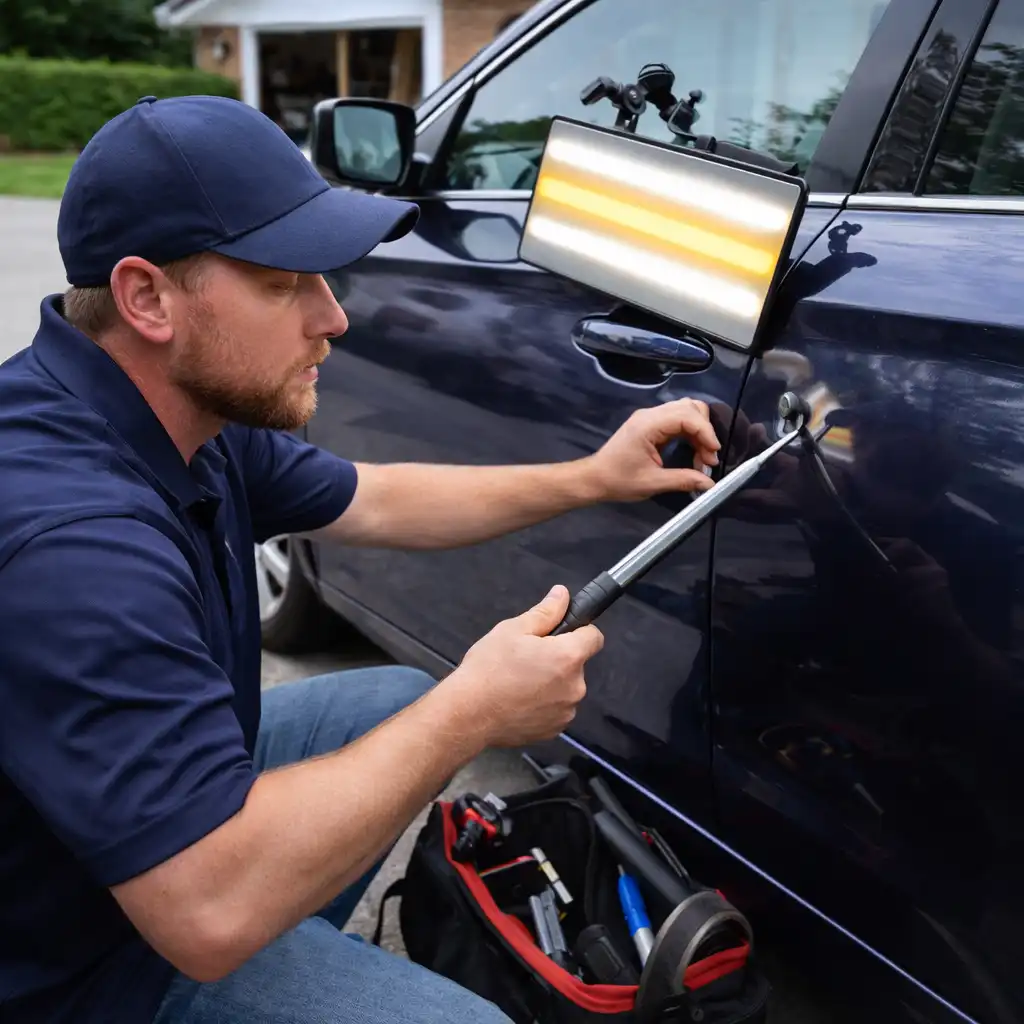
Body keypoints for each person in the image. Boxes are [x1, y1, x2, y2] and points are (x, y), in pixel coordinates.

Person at [0, 95, 721, 1024]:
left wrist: (594, 475)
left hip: (92, 848)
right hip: (73, 968)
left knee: (388, 705)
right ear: (147, 298)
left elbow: (376, 497)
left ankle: (289, 948)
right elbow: (206, 915)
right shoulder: (73, 540)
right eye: (282, 282)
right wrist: (475, 713)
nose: (333, 317)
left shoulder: (173, 412)